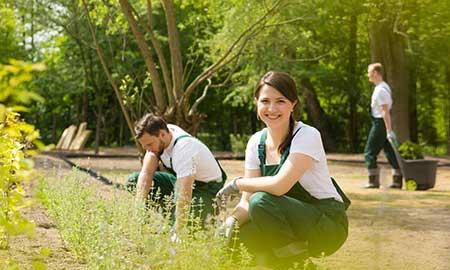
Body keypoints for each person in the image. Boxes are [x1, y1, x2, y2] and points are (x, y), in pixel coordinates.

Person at [217, 71, 350, 269]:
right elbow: (246, 203)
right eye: (265, 101)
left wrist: (237, 183)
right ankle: (283, 263)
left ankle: (298, 265)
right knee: (241, 236)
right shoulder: (255, 142)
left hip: (326, 225)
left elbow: (279, 186)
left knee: (261, 200)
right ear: (256, 103)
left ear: (293, 104)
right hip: (285, 224)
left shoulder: (307, 135)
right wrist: (231, 222)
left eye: (280, 101)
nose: (272, 108)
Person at [126, 114, 225, 233]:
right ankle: (170, 214)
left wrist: (178, 231)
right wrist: (139, 210)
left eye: (149, 145)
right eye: (145, 146)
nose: (148, 149)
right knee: (133, 181)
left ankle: (209, 214)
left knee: (185, 224)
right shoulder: (161, 135)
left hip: (206, 188)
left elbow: (184, 192)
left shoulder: (184, 148)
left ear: (162, 134)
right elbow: (146, 174)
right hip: (181, 179)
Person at [364, 63, 402, 189]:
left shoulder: (381, 90)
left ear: (375, 73)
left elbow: (385, 111)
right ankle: (397, 180)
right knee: (390, 152)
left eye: (369, 72)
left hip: (380, 123)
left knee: (369, 152)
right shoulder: (382, 87)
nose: (368, 74)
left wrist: (388, 130)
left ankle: (373, 181)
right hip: (381, 123)